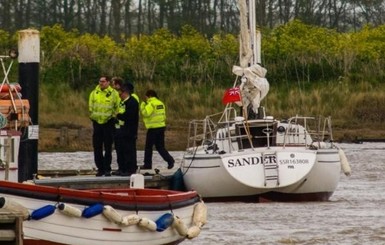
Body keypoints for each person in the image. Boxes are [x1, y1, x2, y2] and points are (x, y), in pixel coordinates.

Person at [88, 76, 120, 176]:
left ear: (108, 82)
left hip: (108, 123)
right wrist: (93, 116)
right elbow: (90, 106)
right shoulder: (94, 93)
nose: (101, 83)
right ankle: (100, 168)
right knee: (97, 147)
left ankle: (107, 168)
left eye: (103, 81)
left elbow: (117, 107)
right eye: (100, 81)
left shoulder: (114, 94)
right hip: (97, 123)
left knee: (108, 147)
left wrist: (113, 117)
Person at [140, 89, 174, 169]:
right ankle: (170, 160)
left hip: (153, 128)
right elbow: (164, 115)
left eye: (146, 97)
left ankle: (147, 165)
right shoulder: (160, 103)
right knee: (160, 147)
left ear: (149, 96)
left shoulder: (151, 103)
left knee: (148, 147)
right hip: (161, 127)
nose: (146, 99)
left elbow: (146, 113)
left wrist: (142, 106)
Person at [112, 83, 139, 176]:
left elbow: (130, 117)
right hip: (120, 130)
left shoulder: (132, 102)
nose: (119, 95)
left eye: (120, 93)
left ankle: (130, 169)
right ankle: (121, 168)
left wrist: (119, 116)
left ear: (125, 92)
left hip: (129, 131)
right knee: (120, 150)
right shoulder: (122, 102)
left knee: (129, 151)